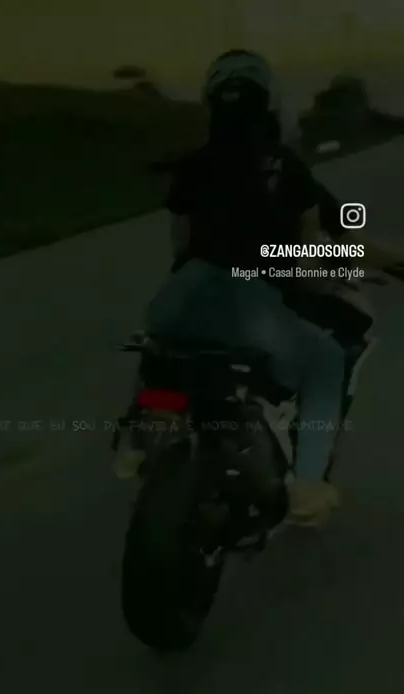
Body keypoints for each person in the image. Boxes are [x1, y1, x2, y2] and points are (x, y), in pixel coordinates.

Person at [132, 51, 403, 526]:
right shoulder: (285, 168)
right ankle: (307, 488)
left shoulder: (193, 166)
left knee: (160, 345)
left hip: (177, 299)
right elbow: (312, 252)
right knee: (325, 361)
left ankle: (135, 442)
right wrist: (332, 270)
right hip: (247, 302)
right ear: (271, 103)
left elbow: (183, 248)